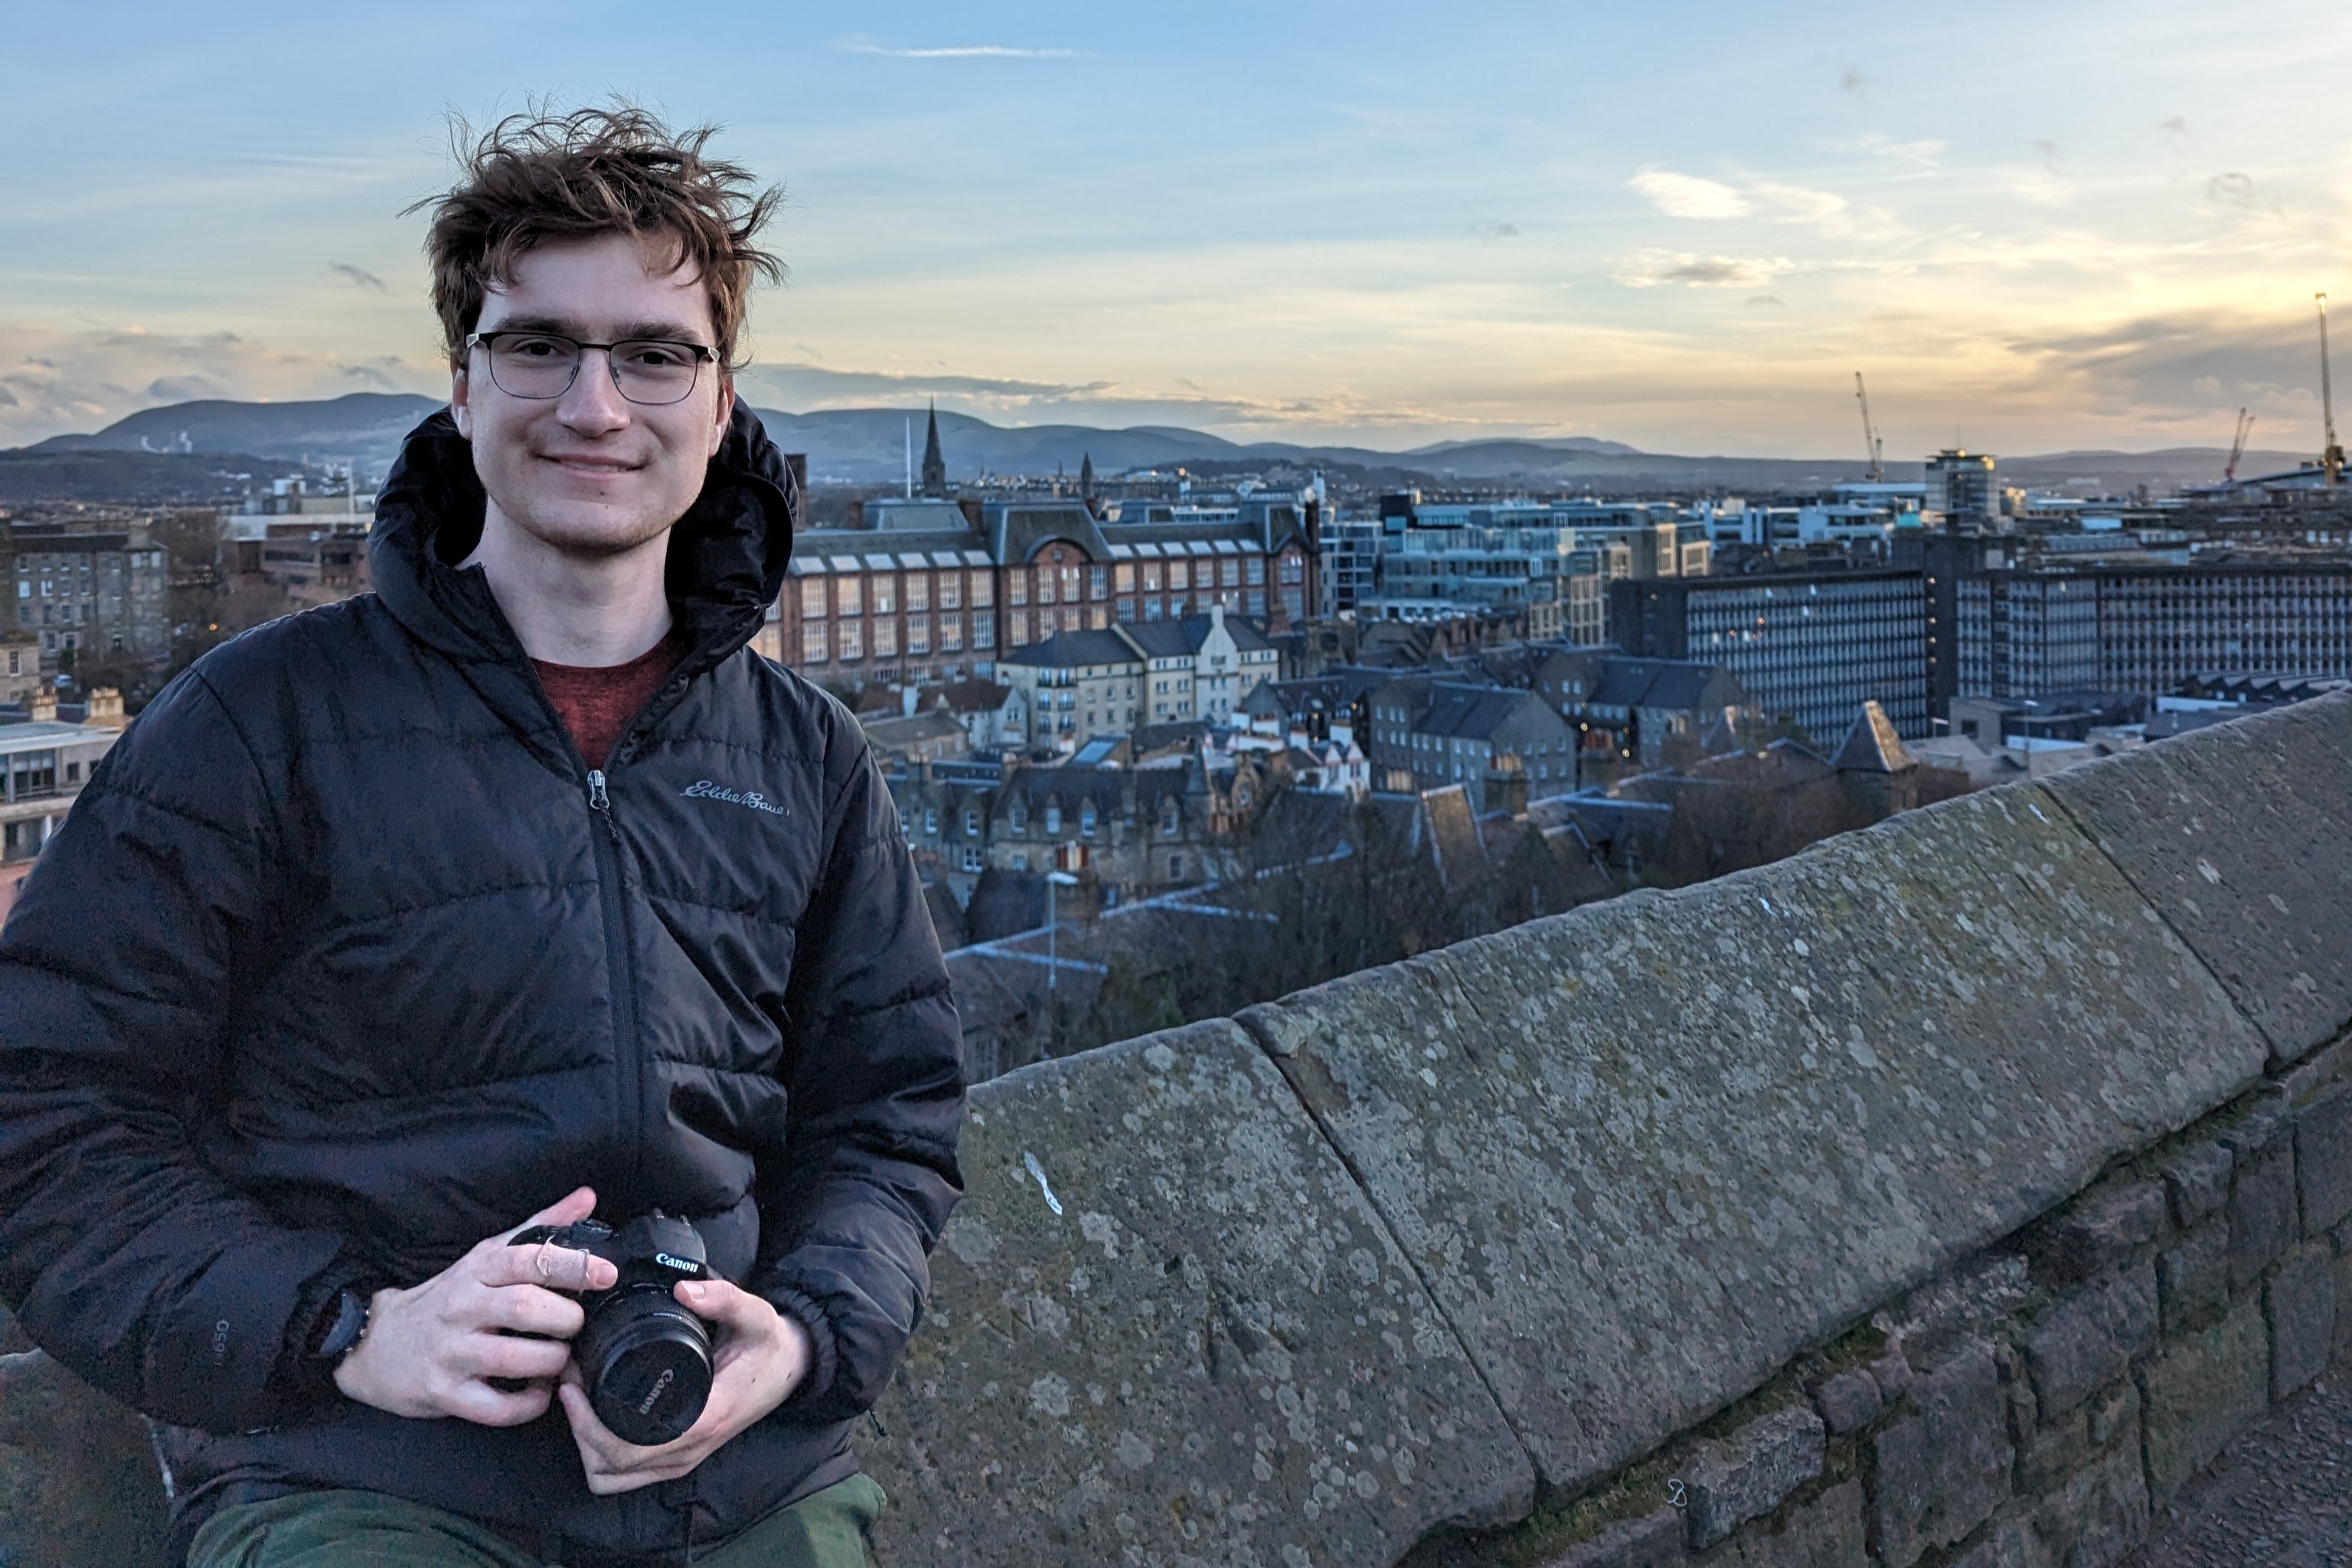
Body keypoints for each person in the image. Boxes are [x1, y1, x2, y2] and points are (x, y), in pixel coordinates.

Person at [0, 107, 964, 1567]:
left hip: (742, 1481)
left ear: (719, 401)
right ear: (461, 383)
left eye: (653, 352)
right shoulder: (260, 722)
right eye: (537, 346)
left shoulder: (807, 755)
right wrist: (346, 1329)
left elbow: (890, 1121)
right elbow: (45, 1113)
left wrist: (805, 1338)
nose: (594, 405)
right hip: (369, 1481)